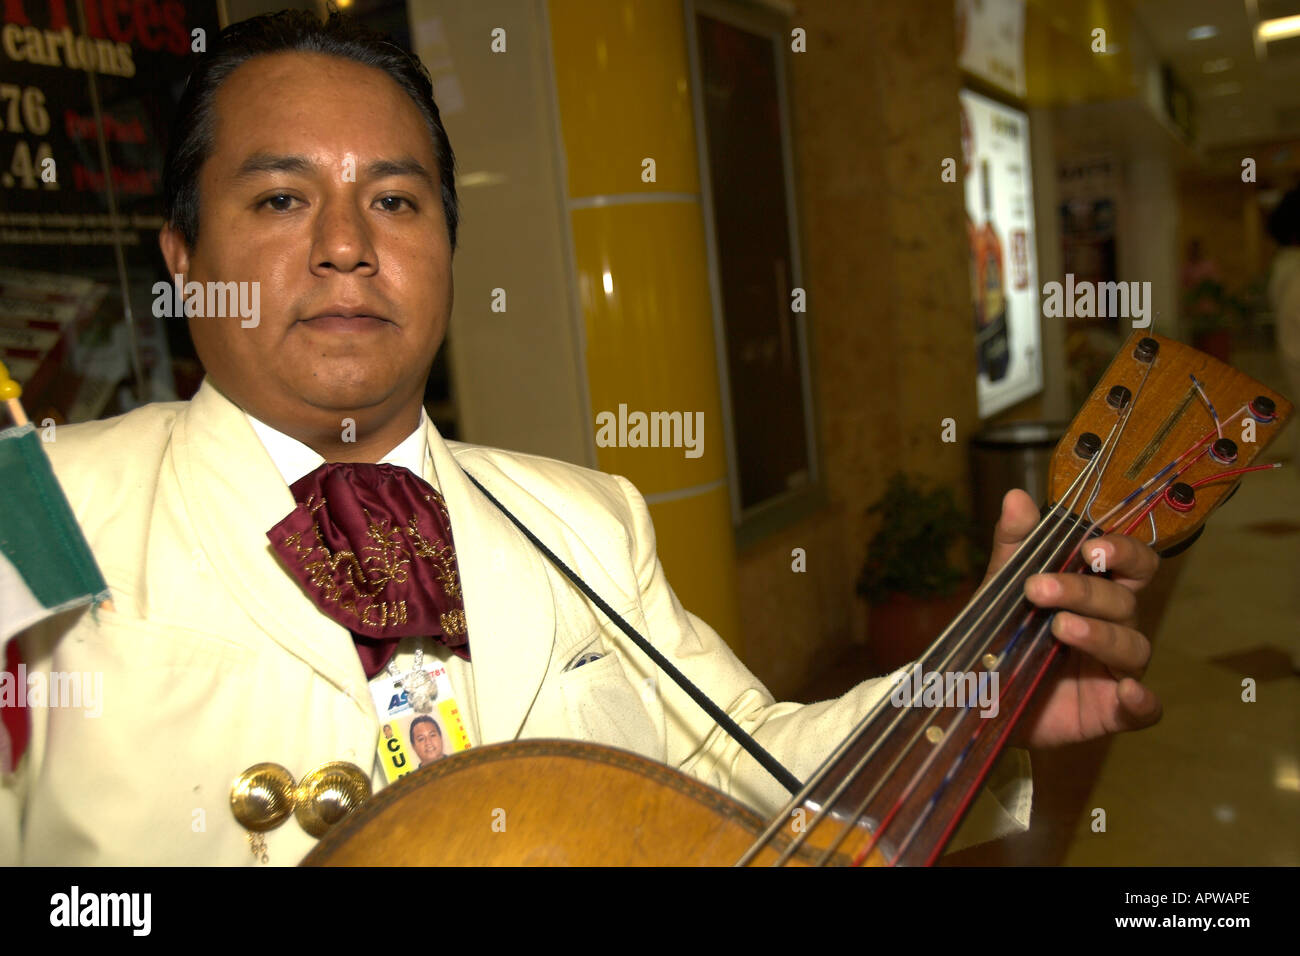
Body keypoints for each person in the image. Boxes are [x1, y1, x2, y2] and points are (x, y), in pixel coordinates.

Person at [0, 11, 1161, 866]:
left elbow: (749, 766)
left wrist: (967, 700)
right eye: (280, 198)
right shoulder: (35, 516)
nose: (347, 243)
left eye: (397, 200)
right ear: (183, 255)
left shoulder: (588, 518)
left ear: (449, 249)